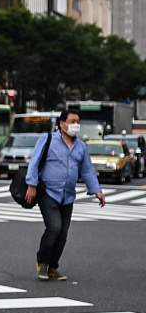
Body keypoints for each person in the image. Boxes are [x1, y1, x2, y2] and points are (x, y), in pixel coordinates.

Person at [25, 109, 106, 281]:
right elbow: (34, 162)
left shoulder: (81, 146)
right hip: (48, 193)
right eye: (72, 121)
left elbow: (87, 171)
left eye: (78, 121)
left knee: (63, 234)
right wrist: (31, 184)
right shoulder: (48, 139)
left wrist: (97, 191)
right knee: (54, 227)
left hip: (68, 196)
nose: (76, 125)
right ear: (62, 124)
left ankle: (53, 267)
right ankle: (42, 263)